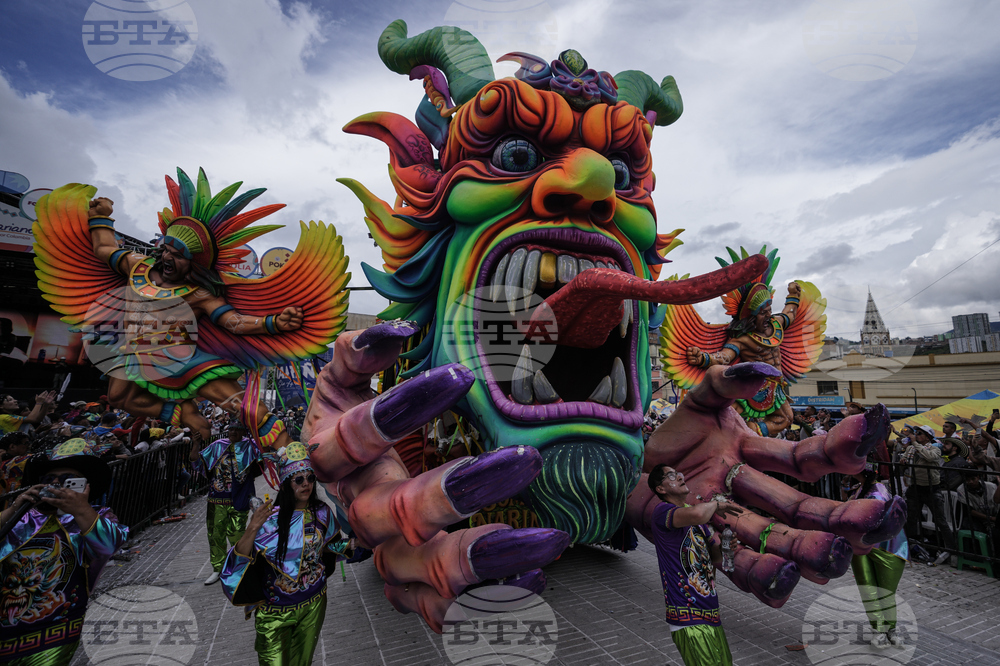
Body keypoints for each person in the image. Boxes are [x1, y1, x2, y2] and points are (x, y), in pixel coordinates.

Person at [221, 443, 353, 666]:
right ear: (285, 484)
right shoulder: (269, 519)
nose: (306, 484)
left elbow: (328, 549)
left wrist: (354, 545)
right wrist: (253, 527)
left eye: (310, 478)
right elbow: (239, 561)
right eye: (298, 480)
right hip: (275, 613)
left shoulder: (322, 513)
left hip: (313, 605)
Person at [0, 438, 128, 665]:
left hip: (52, 629)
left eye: (68, 481)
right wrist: (14, 507)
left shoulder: (95, 516)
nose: (56, 485)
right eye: (49, 480)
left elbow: (109, 545)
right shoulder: (24, 515)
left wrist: (80, 508)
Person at [647, 463, 741, 666]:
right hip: (687, 613)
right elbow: (699, 514)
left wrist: (726, 549)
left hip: (710, 611)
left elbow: (713, 556)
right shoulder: (662, 511)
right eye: (671, 476)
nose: (680, 477)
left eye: (679, 473)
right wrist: (718, 504)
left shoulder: (694, 516)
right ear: (660, 489)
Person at [846, 462, 909, 648]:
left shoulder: (878, 492)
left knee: (886, 592)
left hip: (888, 548)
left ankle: (891, 629)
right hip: (860, 545)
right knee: (868, 589)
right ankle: (879, 630)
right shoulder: (858, 489)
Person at [198, 421, 260, 585]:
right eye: (230, 429)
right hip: (216, 498)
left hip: (239, 498)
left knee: (237, 534)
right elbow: (198, 463)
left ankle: (240, 567)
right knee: (215, 534)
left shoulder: (250, 446)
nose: (233, 432)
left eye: (237, 429)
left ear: (242, 432)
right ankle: (217, 568)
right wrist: (196, 443)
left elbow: (260, 466)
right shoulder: (217, 445)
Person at [900, 425, 953, 565]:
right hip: (915, 488)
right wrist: (903, 460)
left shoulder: (935, 448)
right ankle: (912, 546)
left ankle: (953, 549)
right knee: (911, 518)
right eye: (916, 433)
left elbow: (929, 457)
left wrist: (915, 443)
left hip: (931, 489)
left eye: (920, 434)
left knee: (940, 520)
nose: (916, 435)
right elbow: (905, 458)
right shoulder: (912, 448)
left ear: (928, 437)